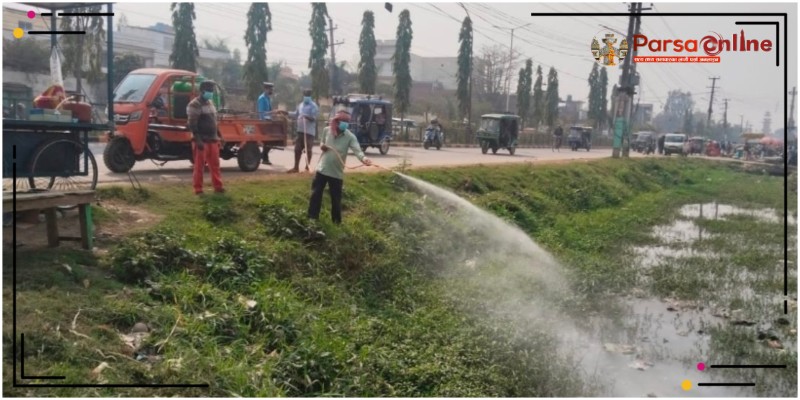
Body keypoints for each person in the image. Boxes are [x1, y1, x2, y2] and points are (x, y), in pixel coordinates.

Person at [308, 110, 372, 224]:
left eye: (347, 121)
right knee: (315, 195)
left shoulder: (350, 136)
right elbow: (322, 142)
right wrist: (322, 146)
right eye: (343, 121)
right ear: (336, 121)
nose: (345, 124)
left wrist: (364, 159)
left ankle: (336, 223)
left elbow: (357, 150)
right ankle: (312, 219)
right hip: (322, 169)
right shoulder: (327, 130)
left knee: (336, 200)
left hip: (336, 173)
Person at [187, 80, 224, 195]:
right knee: (199, 166)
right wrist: (198, 140)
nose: (211, 92)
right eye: (209, 90)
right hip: (201, 141)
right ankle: (198, 189)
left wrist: (220, 136)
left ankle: (218, 187)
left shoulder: (210, 103)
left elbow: (214, 122)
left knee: (215, 165)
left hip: (213, 139)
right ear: (202, 90)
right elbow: (192, 124)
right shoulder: (194, 104)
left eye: (212, 90)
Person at [287, 89, 319, 173]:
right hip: (300, 131)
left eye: (308, 95)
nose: (306, 97)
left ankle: (307, 167)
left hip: (309, 132)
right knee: (297, 149)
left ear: (310, 96)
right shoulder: (300, 105)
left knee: (308, 150)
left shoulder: (313, 106)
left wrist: (306, 116)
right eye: (305, 95)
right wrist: (287, 113)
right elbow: (296, 114)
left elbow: (314, 118)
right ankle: (296, 167)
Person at [257, 82, 275, 165]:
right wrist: (270, 114)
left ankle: (264, 157)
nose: (271, 90)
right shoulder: (262, 98)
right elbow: (261, 113)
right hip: (264, 122)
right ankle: (263, 157)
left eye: (272, 89)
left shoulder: (267, 98)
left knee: (269, 142)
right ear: (266, 89)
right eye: (270, 89)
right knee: (269, 141)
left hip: (268, 121)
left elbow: (269, 111)